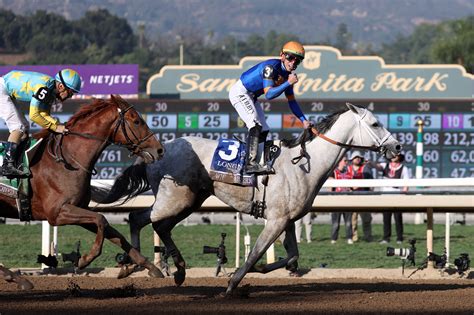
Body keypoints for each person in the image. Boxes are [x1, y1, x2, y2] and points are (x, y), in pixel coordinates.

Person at [229, 41, 312, 175]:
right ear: (282, 56)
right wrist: (288, 83)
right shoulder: (271, 68)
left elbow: (292, 101)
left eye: (298, 61)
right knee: (255, 125)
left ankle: (260, 161)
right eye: (291, 58)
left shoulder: (288, 76)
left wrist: (303, 120)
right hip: (241, 92)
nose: (293, 63)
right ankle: (249, 164)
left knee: (265, 128)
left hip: (251, 96)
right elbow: (269, 95)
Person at [0, 69, 81, 177]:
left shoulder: (51, 90)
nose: (70, 96)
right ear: (61, 86)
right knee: (18, 127)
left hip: (6, 90)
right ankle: (7, 165)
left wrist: (58, 125)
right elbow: (34, 115)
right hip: (2, 90)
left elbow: (44, 114)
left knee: (24, 128)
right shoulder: (45, 88)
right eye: (70, 92)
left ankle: (16, 161)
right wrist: (55, 127)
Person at [373, 153, 410, 244]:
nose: (393, 157)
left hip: (397, 194)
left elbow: (406, 183)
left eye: (396, 155)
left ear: (400, 157)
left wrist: (403, 195)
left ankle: (399, 238)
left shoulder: (403, 168)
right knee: (386, 217)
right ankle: (386, 237)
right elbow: (377, 166)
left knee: (398, 217)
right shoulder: (385, 165)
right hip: (385, 194)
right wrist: (369, 162)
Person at [347, 150, 373, 242]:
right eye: (355, 157)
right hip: (352, 197)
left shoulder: (366, 168)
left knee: (366, 219)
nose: (357, 159)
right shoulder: (348, 169)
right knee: (353, 220)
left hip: (364, 197)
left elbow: (370, 183)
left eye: (359, 157)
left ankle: (368, 237)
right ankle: (354, 237)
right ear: (352, 159)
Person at [329, 156, 353, 244]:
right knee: (335, 222)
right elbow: (330, 186)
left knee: (348, 221)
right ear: (339, 161)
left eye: (347, 161)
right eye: (345, 160)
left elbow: (353, 186)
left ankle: (349, 238)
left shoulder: (349, 172)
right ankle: (334, 239)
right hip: (336, 199)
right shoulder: (334, 172)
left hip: (347, 199)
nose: (346, 162)